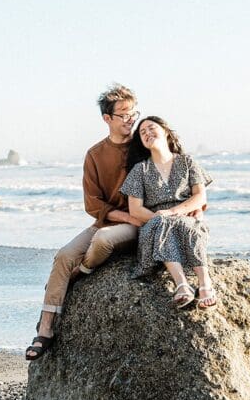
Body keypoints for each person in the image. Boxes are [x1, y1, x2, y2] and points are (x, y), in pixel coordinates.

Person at [25, 84, 143, 361]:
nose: (131, 120)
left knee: (102, 241)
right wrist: (125, 215)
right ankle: (45, 331)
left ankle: (80, 273)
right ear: (107, 119)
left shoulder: (143, 146)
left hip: (137, 226)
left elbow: (172, 166)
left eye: (134, 114)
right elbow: (93, 203)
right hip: (111, 220)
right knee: (63, 256)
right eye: (124, 115)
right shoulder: (95, 154)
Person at [120, 115, 218, 309]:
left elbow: (200, 197)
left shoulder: (187, 162)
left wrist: (174, 212)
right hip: (155, 226)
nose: (147, 133)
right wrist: (160, 216)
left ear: (165, 131)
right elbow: (135, 209)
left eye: (151, 128)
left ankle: (205, 283)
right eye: (142, 132)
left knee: (189, 224)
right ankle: (181, 284)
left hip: (185, 219)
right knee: (162, 224)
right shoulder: (140, 170)